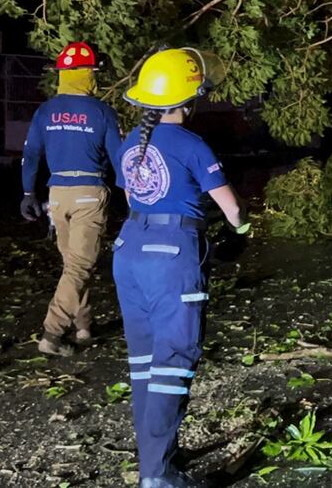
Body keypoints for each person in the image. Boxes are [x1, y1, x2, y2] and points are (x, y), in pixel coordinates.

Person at [113, 48, 248, 488]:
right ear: (187, 101)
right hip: (172, 255)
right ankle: (157, 476)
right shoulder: (191, 143)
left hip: (129, 249)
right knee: (173, 363)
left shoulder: (130, 141)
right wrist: (241, 232)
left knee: (145, 364)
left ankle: (157, 454)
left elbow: (134, 198)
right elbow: (229, 206)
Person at [20, 41, 122, 356]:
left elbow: (30, 154)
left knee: (74, 265)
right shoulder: (102, 111)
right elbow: (119, 159)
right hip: (89, 195)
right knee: (79, 266)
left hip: (57, 197)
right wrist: (133, 194)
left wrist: (27, 192)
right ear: (88, 74)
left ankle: (83, 326)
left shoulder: (45, 111)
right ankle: (52, 334)